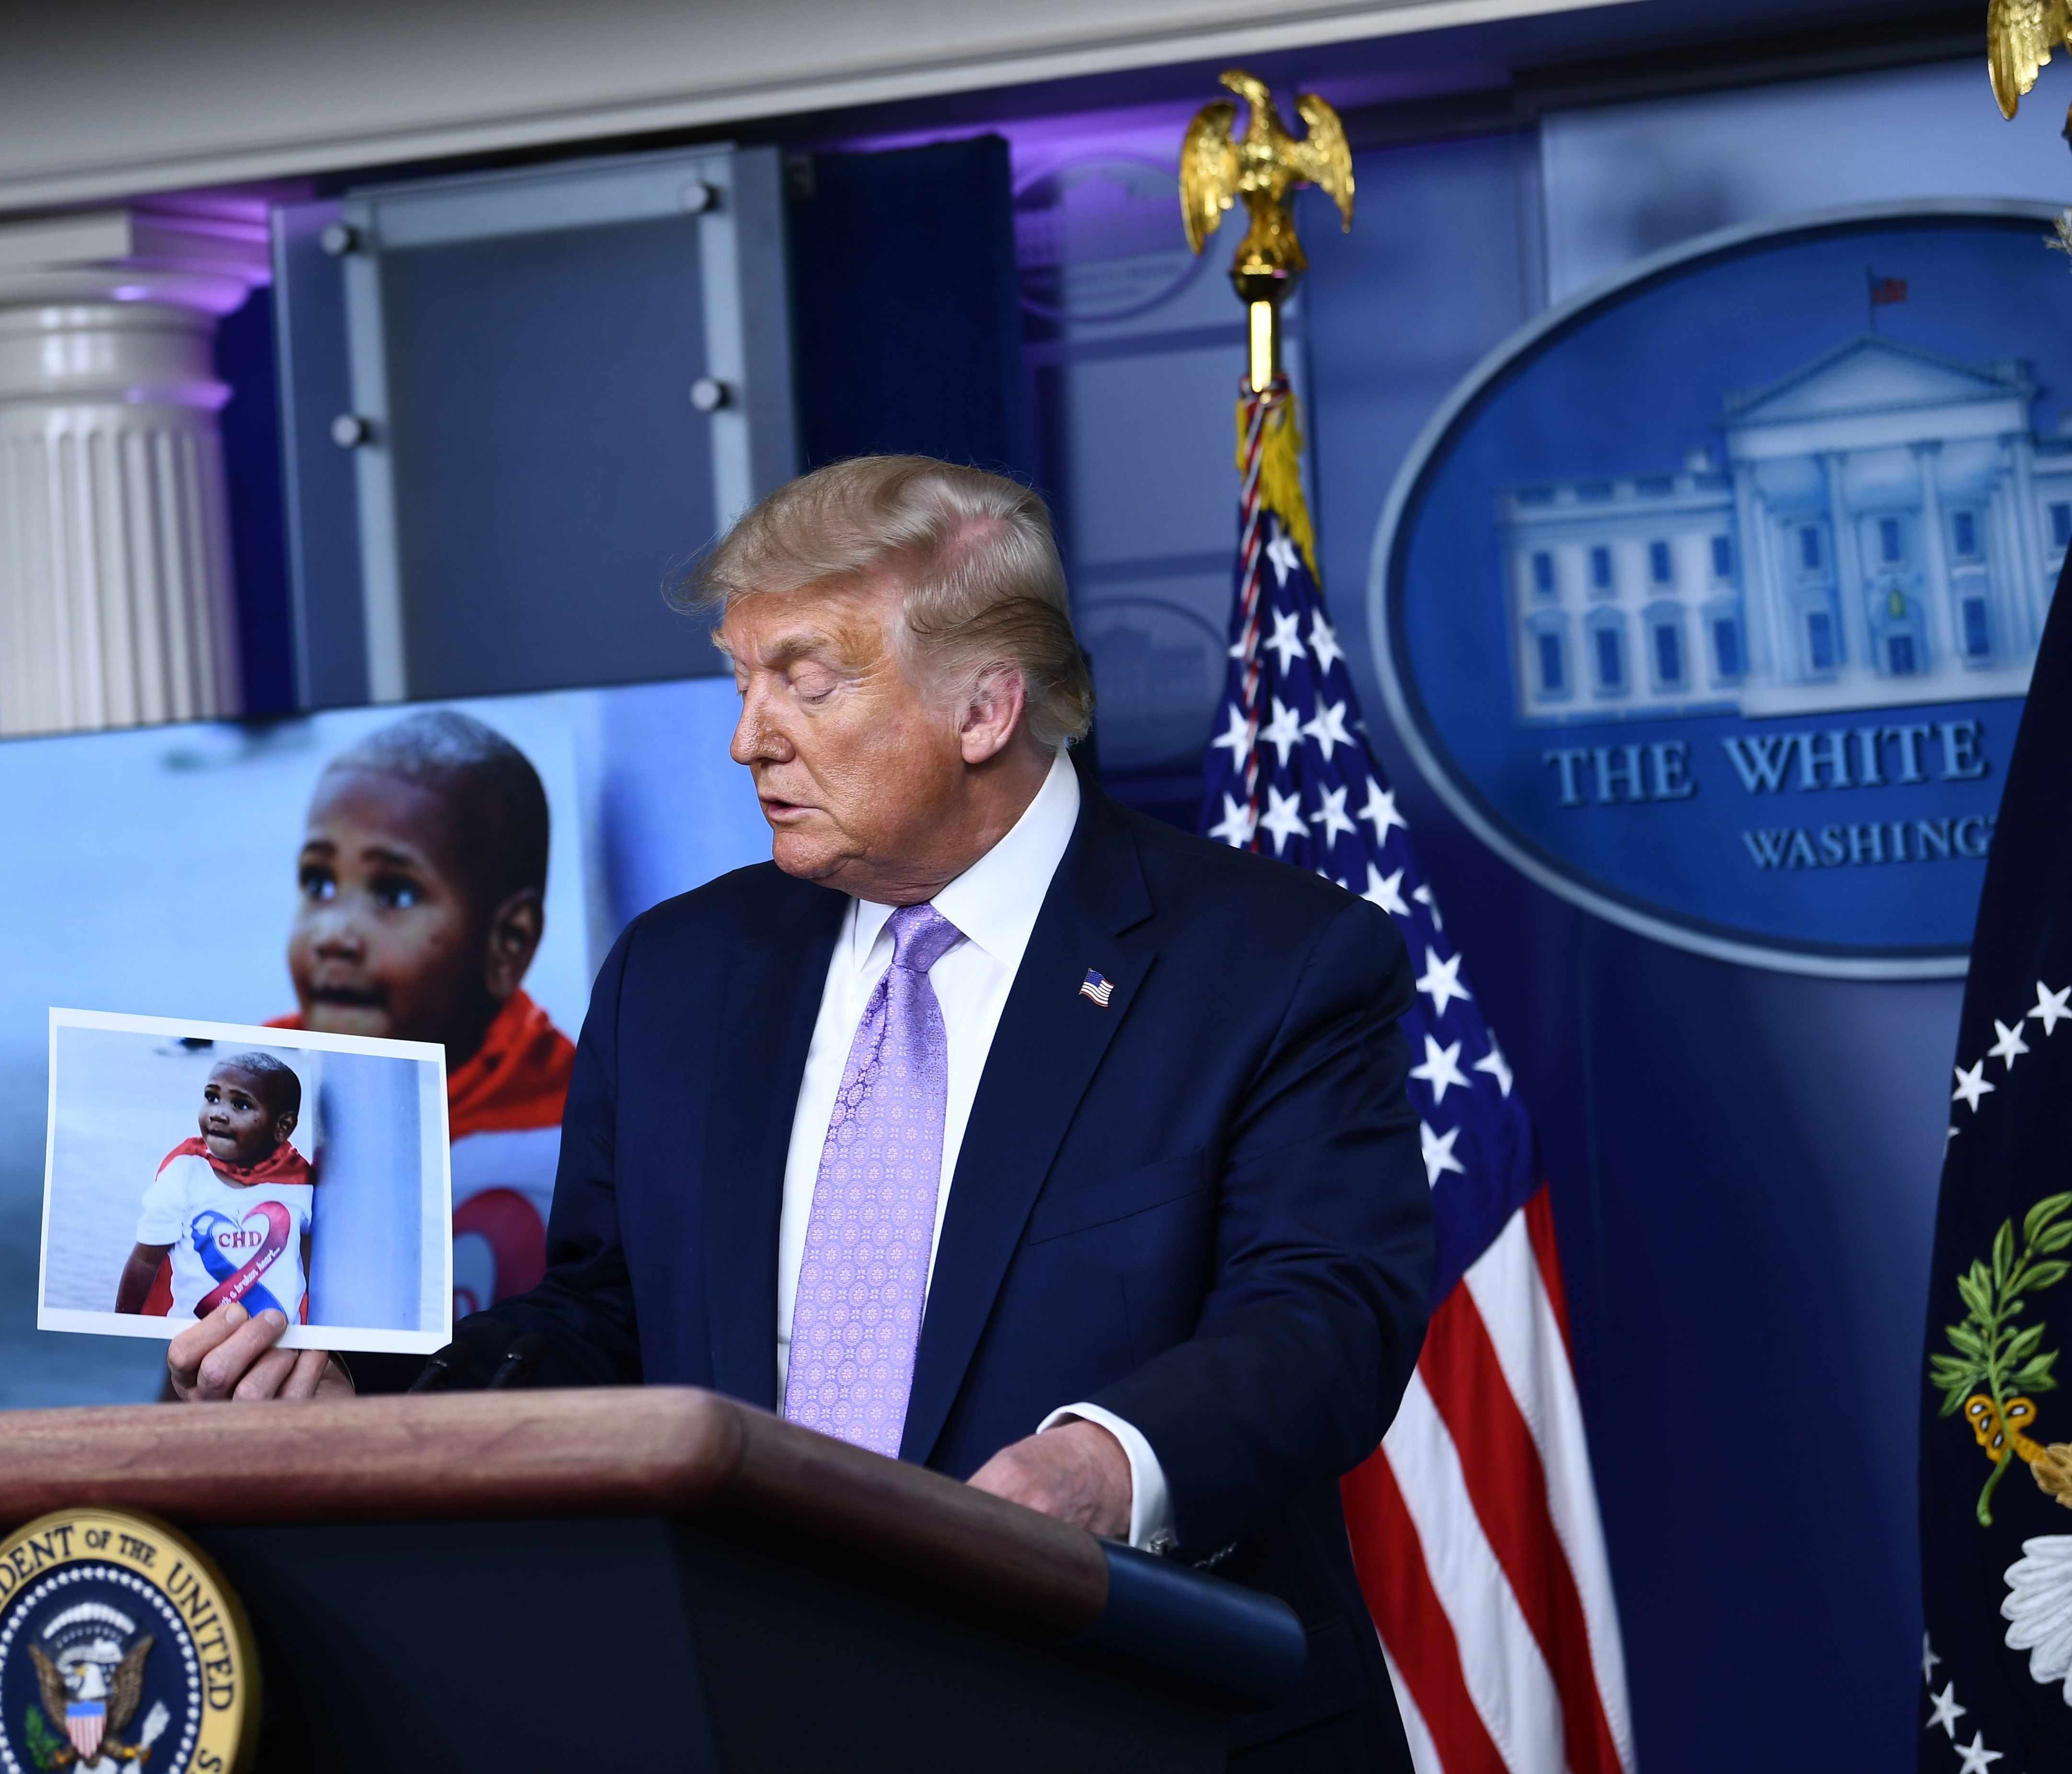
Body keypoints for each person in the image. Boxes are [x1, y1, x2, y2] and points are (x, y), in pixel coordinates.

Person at [173, 456, 1432, 1770]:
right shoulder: (681, 971)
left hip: (1135, 1714)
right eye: (742, 677)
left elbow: (1325, 1307)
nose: (749, 735)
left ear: (986, 707)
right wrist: (384, 1400)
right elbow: (608, 1313)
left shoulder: (1270, 964)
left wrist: (1104, 1467)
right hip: (747, 1713)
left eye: (806, 679)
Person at [268, 710, 576, 1321]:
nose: (334, 934)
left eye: (393, 894)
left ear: (507, 943)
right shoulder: (263, 1099)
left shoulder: (575, 1125)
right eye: (318, 882)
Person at [116, 1052, 315, 1322]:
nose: (219, 1114)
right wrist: (123, 1325)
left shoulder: (300, 1182)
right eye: (212, 1097)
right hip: (191, 1338)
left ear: (283, 1126)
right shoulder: (184, 1172)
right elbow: (145, 1261)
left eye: (241, 1105)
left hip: (277, 1341)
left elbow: (313, 1269)